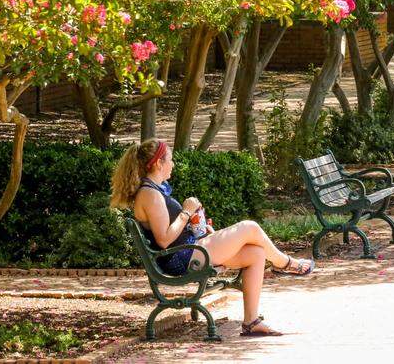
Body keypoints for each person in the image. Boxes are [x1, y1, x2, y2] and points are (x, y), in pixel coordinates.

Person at [110, 138, 314, 337]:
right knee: (249, 227)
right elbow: (164, 239)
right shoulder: (150, 195)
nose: (173, 163)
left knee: (255, 253)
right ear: (157, 163)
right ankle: (286, 263)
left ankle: (251, 322)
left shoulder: (154, 191)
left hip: (188, 250)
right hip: (181, 258)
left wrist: (197, 225)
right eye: (170, 159)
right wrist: (186, 212)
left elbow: (171, 231)